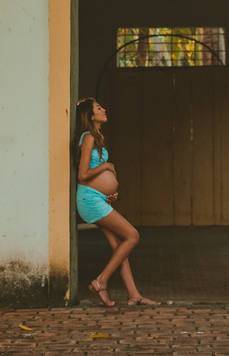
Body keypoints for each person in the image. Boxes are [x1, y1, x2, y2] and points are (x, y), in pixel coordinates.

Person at [74, 97, 160, 307]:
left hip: (98, 198)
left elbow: (95, 177)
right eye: (98, 108)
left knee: (118, 246)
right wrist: (106, 167)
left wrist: (109, 193)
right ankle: (101, 281)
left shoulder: (97, 137)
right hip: (90, 200)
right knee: (132, 236)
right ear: (90, 116)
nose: (103, 109)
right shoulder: (88, 138)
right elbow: (82, 175)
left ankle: (133, 295)